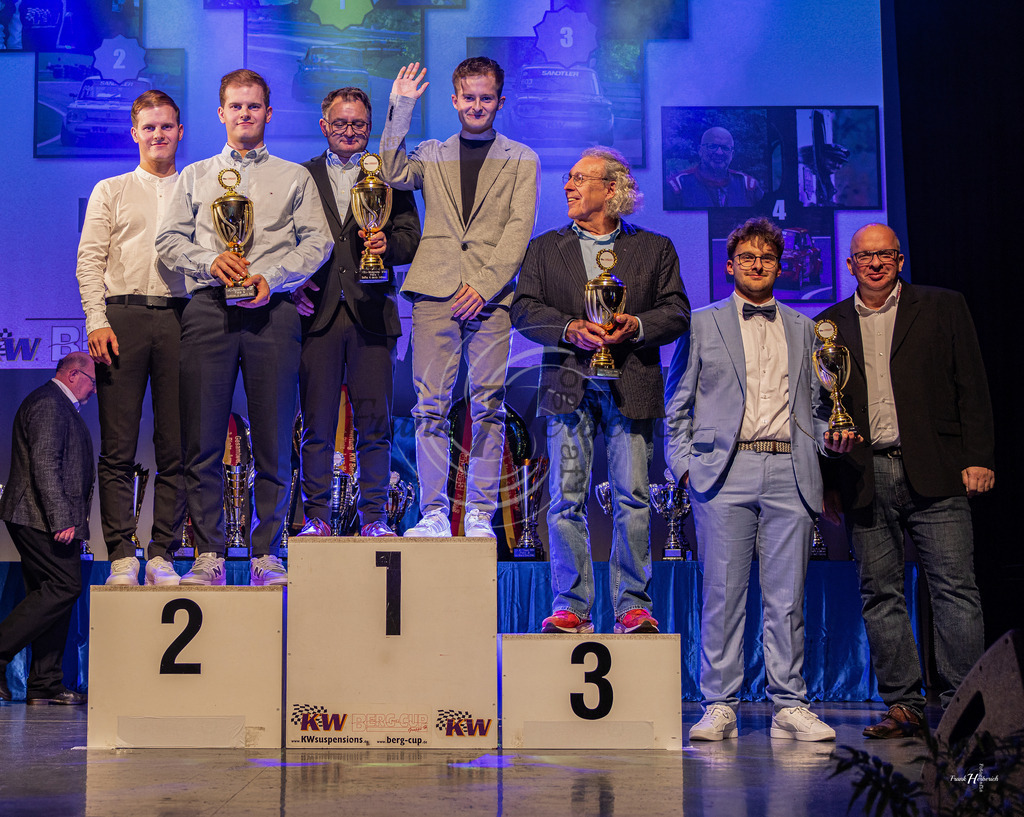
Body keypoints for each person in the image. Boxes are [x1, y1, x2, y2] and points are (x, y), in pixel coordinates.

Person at [156, 69, 332, 586]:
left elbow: (316, 243)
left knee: (276, 438)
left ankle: (267, 553)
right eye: (235, 106)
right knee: (203, 441)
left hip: (272, 311)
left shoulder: (294, 176)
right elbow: (168, 241)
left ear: (268, 114)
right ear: (220, 113)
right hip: (209, 309)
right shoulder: (195, 175)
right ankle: (209, 553)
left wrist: (272, 278)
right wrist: (212, 261)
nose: (244, 114)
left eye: (253, 107)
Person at [818, 223, 994, 738]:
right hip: (863, 474)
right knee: (880, 593)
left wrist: (979, 456)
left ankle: (969, 706)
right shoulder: (827, 325)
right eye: (865, 256)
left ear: (900, 259)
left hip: (938, 470)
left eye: (886, 255)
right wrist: (829, 478)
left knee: (956, 590)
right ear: (849, 265)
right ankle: (904, 705)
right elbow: (821, 408)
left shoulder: (943, 306)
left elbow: (973, 385)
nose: (875, 263)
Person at [665, 216, 836, 742]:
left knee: (786, 597)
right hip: (724, 471)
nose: (757, 265)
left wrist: (828, 439)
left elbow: (820, 402)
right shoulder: (701, 322)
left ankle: (790, 703)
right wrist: (685, 466)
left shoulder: (806, 328)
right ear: (730, 266)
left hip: (790, 469)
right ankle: (719, 703)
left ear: (779, 267)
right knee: (723, 592)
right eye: (747, 258)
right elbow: (678, 402)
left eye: (766, 258)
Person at [512, 147, 689, 634]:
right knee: (566, 497)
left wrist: (635, 324)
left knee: (632, 495)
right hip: (569, 381)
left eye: (578, 179)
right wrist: (569, 327)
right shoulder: (545, 248)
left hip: (631, 380)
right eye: (567, 178)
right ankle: (572, 606)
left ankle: (633, 604)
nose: (567, 186)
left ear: (611, 189)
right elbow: (524, 309)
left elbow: (676, 310)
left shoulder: (654, 248)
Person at [379, 58, 538, 538]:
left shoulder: (521, 158)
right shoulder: (431, 152)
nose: (476, 106)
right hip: (435, 293)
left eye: (486, 98)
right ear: (454, 100)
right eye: (468, 97)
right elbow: (389, 169)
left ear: (500, 101)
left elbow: (518, 230)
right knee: (430, 406)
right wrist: (401, 104)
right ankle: (432, 512)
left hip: (490, 299)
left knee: (487, 403)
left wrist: (485, 286)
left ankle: (478, 514)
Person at [294, 87, 421, 538]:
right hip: (317, 317)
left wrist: (389, 248)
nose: (350, 132)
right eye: (341, 123)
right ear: (324, 125)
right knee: (317, 427)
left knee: (375, 424)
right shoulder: (301, 175)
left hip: (372, 315)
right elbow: (284, 242)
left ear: (370, 128)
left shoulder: (389, 175)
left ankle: (374, 518)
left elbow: (411, 236)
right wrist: (291, 288)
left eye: (360, 125)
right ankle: (316, 519)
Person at [76, 90, 187, 588]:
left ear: (180, 131)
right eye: (150, 127)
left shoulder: (197, 186)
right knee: (117, 447)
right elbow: (90, 261)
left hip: (184, 319)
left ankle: (163, 551)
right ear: (135, 133)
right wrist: (96, 320)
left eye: (167, 126)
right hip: (120, 319)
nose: (159, 135)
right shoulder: (111, 189)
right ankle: (121, 552)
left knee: (176, 445)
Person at [0, 353, 96, 705]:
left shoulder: (56, 404)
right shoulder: (49, 403)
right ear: (73, 375)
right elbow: (44, 463)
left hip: (41, 516)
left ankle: (45, 684)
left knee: (50, 591)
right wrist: (61, 519)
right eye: (92, 381)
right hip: (39, 517)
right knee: (64, 586)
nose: (95, 390)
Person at [666, 126, 763, 208]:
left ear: (732, 154)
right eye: (712, 146)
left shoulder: (748, 186)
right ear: (700, 150)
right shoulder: (678, 186)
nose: (719, 152)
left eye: (725, 148)